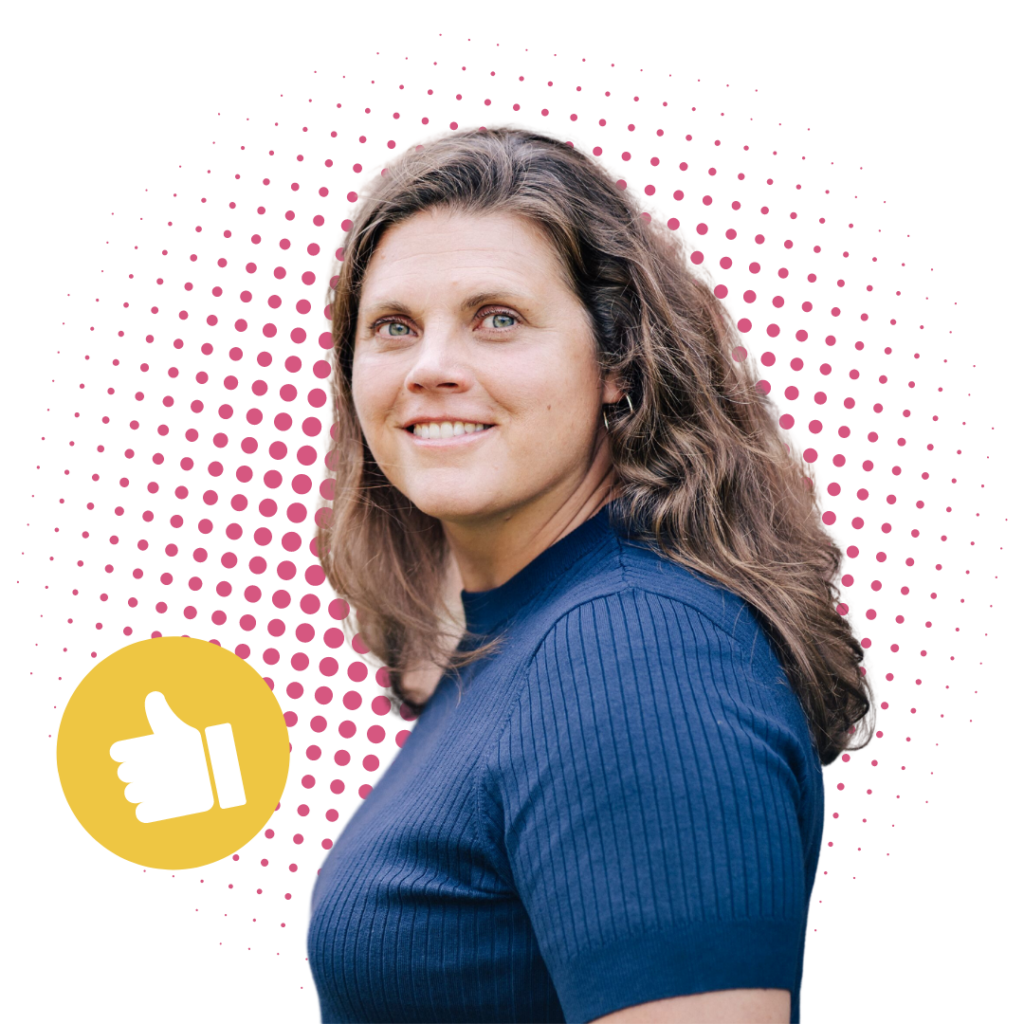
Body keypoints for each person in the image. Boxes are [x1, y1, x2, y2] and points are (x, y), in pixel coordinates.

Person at [305, 121, 878, 1024]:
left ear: (616, 363)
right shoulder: (519, 633)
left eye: (497, 318)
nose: (431, 368)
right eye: (394, 328)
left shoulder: (632, 654)